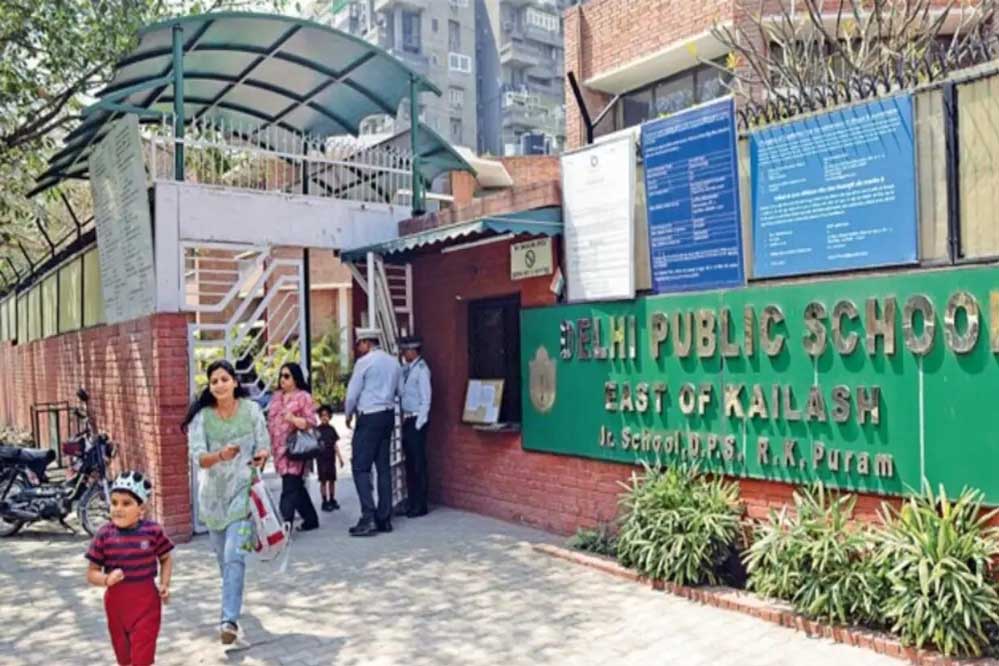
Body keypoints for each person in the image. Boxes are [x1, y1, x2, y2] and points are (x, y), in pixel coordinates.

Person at [183, 359, 270, 645]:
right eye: (214, 381)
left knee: (235, 555)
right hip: (212, 500)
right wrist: (220, 455)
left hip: (243, 496)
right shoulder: (202, 418)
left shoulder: (252, 410)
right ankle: (232, 601)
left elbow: (264, 444)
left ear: (235, 382)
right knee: (225, 560)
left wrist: (262, 456)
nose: (220, 384)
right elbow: (199, 457)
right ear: (210, 387)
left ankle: (228, 619)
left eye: (224, 379)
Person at [85, 471, 173, 666]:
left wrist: (165, 584)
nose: (118, 508)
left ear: (141, 508)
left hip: (147, 606)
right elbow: (91, 573)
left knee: (141, 659)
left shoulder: (152, 531)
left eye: (126, 503)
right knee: (124, 659)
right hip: (116, 608)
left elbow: (166, 558)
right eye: (114, 502)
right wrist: (106, 579)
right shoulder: (104, 535)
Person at [344, 327, 401, 537]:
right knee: (383, 467)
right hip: (387, 415)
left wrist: (348, 414)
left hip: (369, 416)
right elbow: (400, 391)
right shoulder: (394, 362)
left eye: (359, 344)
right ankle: (384, 518)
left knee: (360, 467)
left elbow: (352, 394)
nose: (358, 348)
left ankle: (368, 516)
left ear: (367, 343)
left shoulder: (364, 363)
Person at [268, 361, 320, 532]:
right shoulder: (277, 397)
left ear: (295, 378)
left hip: (295, 449)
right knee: (295, 485)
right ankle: (311, 519)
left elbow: (311, 422)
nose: (282, 379)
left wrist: (293, 419)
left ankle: (284, 526)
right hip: (279, 449)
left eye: (286, 376)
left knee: (289, 487)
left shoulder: (303, 397)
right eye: (281, 376)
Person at [397, 335, 432, 518]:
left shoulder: (421, 370)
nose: (403, 353)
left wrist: (419, 424)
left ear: (413, 350)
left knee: (418, 463)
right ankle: (411, 502)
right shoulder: (407, 369)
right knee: (409, 463)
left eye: (405, 350)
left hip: (417, 419)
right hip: (408, 419)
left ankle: (420, 504)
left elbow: (426, 399)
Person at [316, 404, 345, 512]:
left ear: (330, 417)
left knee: (332, 480)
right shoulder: (317, 430)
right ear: (319, 417)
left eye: (327, 415)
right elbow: (313, 446)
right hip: (321, 459)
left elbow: (335, 445)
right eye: (322, 415)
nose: (325, 417)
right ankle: (324, 501)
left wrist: (340, 458)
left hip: (331, 458)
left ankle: (332, 499)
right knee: (323, 481)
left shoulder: (332, 429)